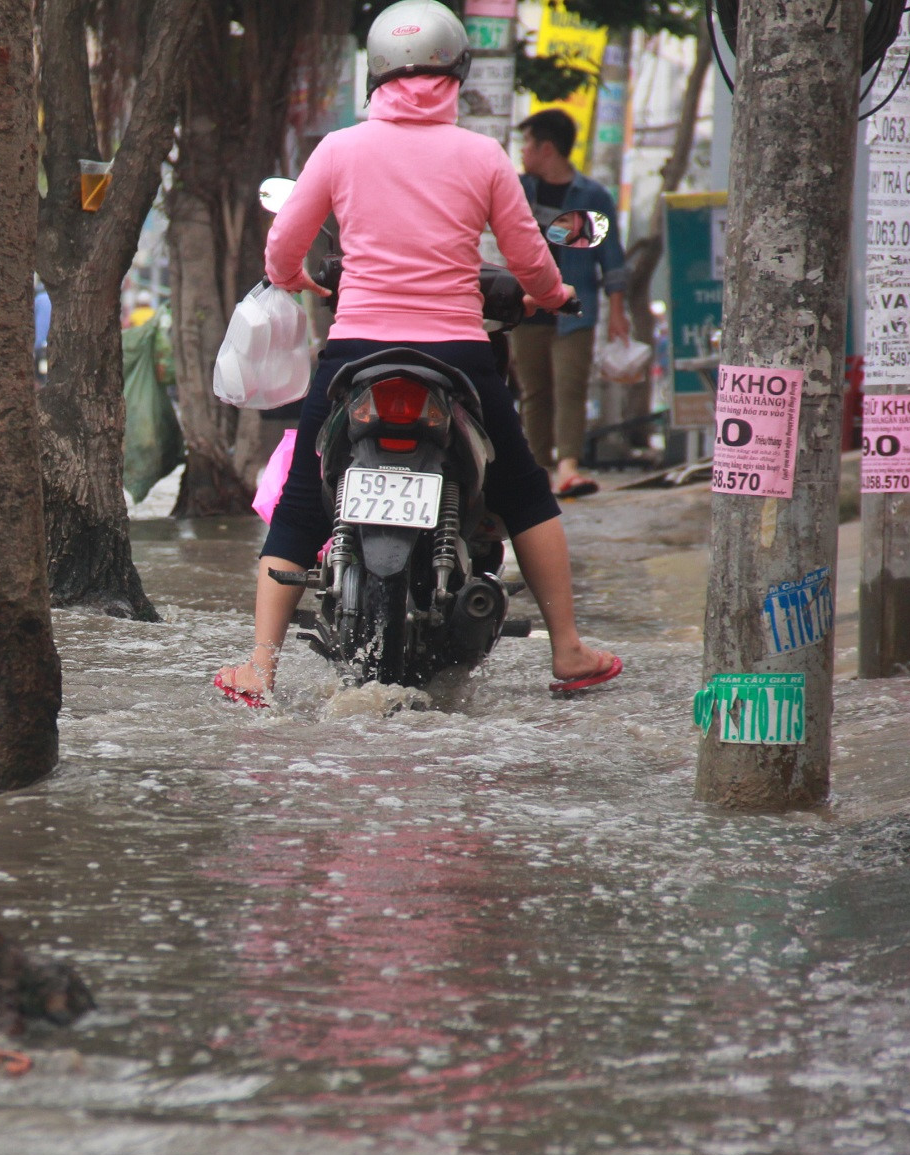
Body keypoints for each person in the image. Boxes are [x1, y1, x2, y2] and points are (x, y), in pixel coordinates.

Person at [214, 0, 619, 705]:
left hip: (356, 352)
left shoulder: (340, 148)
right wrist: (552, 297)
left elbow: (282, 247)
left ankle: (260, 667)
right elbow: (528, 257)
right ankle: (568, 649)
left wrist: (294, 279)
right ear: (458, 70)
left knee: (305, 498)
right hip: (458, 356)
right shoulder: (482, 155)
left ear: (376, 72)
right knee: (524, 490)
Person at [513, 107, 630, 498]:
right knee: (534, 392)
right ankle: (539, 468)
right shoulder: (518, 190)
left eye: (527, 143)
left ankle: (568, 468)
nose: (523, 151)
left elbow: (611, 258)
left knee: (570, 387)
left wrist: (617, 310)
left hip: (573, 309)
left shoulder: (592, 196)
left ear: (547, 147)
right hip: (526, 306)